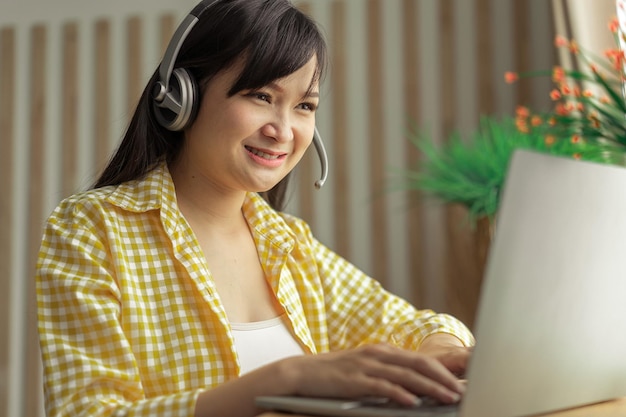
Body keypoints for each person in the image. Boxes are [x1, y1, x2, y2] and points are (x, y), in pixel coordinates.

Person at [35, 0, 475, 416]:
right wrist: (286, 379)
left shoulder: (288, 242)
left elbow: (418, 324)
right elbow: (87, 411)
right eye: (261, 96)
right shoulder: (91, 229)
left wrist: (441, 351)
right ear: (181, 95)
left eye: (304, 106)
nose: (283, 130)